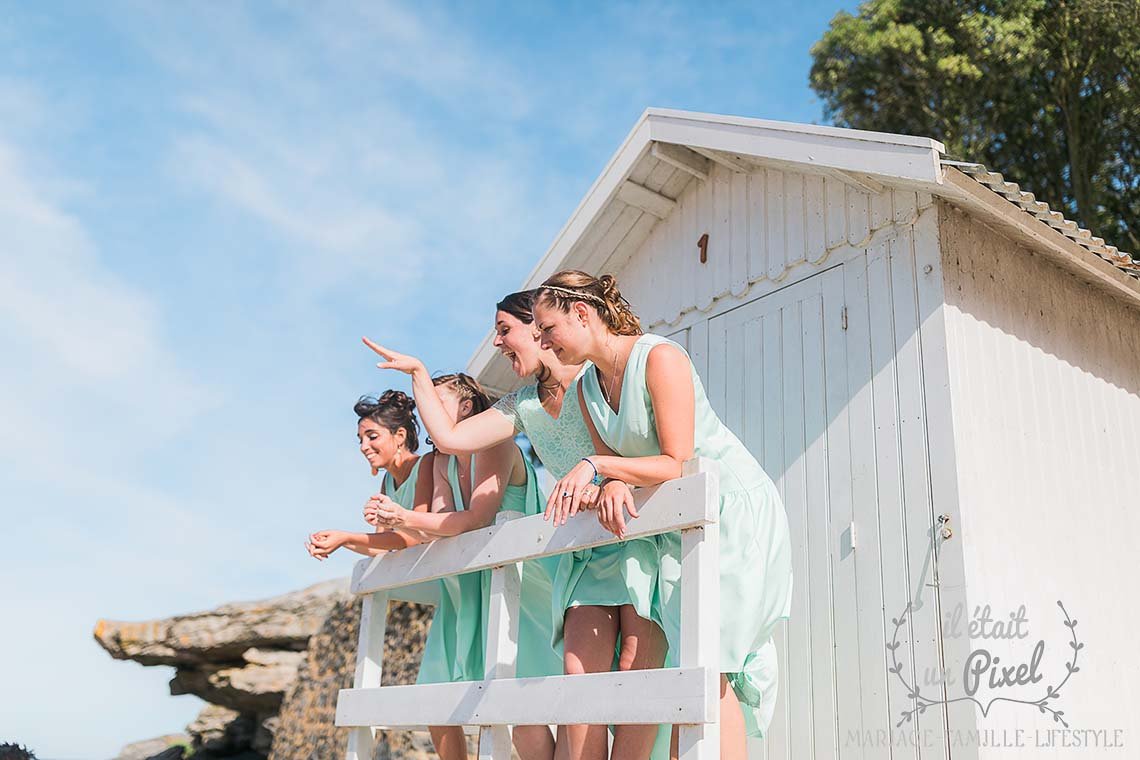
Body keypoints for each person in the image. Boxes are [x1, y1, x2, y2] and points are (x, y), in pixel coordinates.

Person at [364, 289, 670, 760]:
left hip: (631, 530)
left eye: (506, 331)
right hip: (581, 552)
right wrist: (418, 374)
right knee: (578, 689)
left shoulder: (596, 379)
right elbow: (447, 438)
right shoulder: (521, 404)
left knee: (634, 670)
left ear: (541, 327)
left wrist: (614, 478)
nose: (499, 345)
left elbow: (639, 445)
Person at [532, 270, 794, 759]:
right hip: (674, 524)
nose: (542, 342)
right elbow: (619, 466)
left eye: (547, 329)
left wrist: (596, 466)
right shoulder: (588, 387)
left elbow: (675, 460)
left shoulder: (660, 358)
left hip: (728, 511)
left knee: (708, 666)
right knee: (685, 670)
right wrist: (608, 481)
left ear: (582, 314)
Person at [306, 390, 433, 559]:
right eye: (361, 440)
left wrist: (347, 537)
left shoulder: (425, 465)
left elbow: (417, 536)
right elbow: (380, 547)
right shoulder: (387, 481)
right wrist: (341, 541)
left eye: (372, 437)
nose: (363, 447)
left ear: (400, 436)